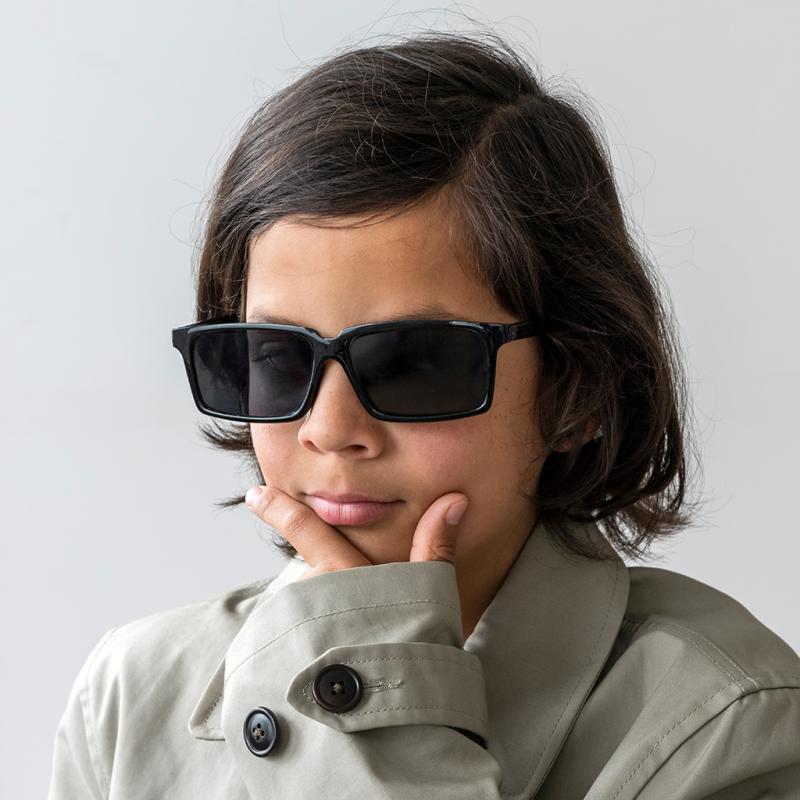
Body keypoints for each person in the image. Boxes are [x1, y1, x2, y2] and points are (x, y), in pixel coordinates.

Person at [47, 30, 800, 799]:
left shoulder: (727, 725)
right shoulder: (130, 701)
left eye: (413, 362)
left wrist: (377, 707)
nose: (329, 429)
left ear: (575, 389)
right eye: (277, 355)